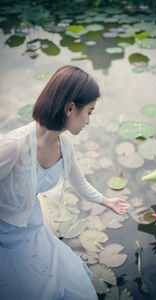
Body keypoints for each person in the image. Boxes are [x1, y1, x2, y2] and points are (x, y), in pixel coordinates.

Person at [0, 65, 130, 300]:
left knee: (75, 287)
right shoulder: (15, 146)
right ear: (70, 108)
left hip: (33, 226)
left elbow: (80, 184)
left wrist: (107, 201)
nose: (89, 120)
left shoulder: (64, 146)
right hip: (5, 234)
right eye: (89, 112)